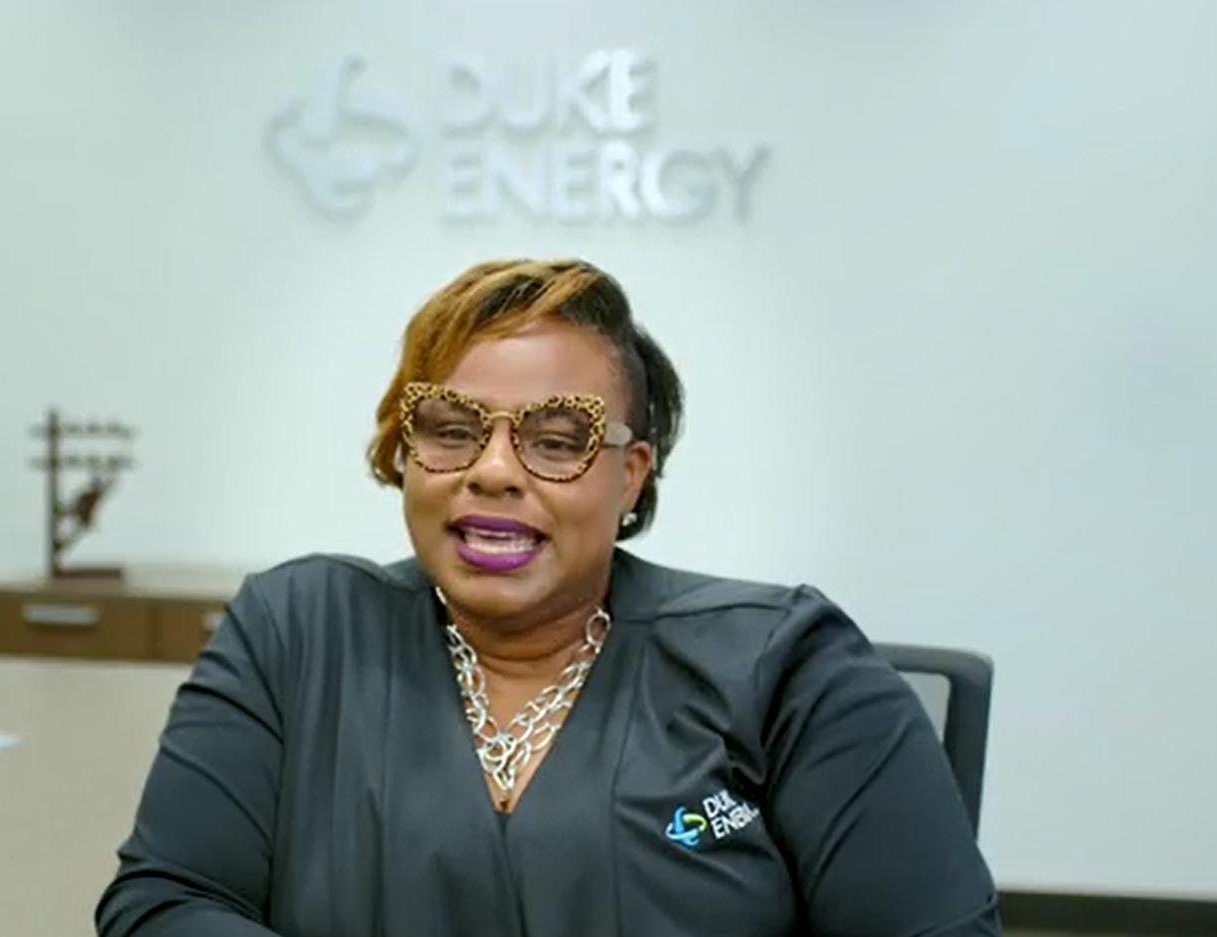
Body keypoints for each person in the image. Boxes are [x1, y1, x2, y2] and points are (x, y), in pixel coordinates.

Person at [94, 259, 1004, 936]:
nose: (492, 470)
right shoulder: (295, 632)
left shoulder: (787, 665)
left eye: (556, 439)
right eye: (450, 429)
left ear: (630, 475)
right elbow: (168, 900)